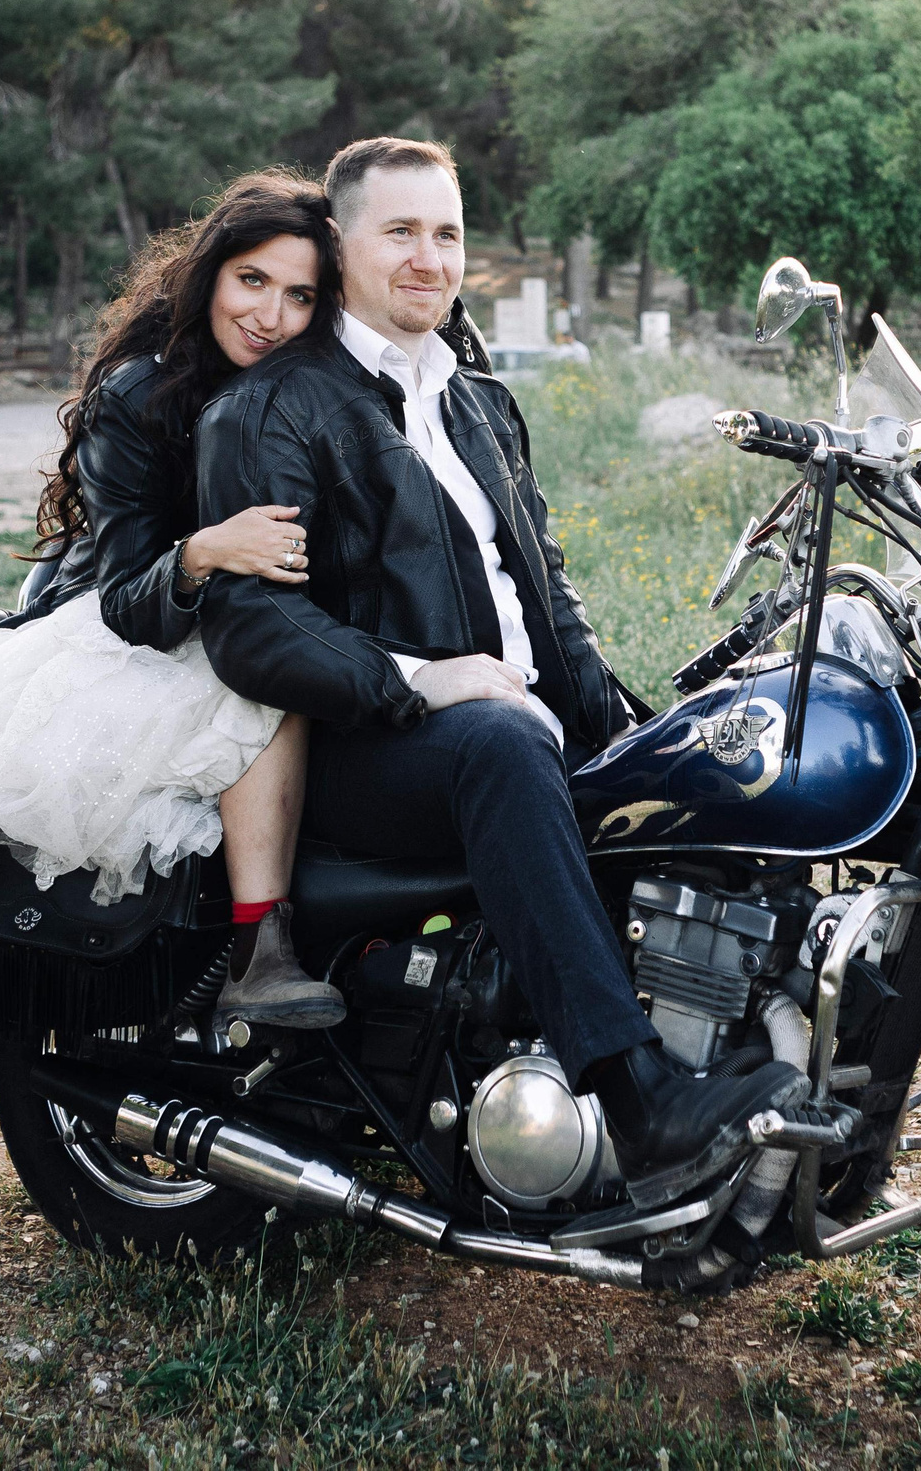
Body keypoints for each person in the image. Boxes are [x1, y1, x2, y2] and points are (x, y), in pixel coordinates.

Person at [195, 138, 806, 1199]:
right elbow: (254, 628)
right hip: (365, 747)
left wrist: (629, 735)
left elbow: (546, 598)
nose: (429, 258)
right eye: (400, 232)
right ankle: (637, 1096)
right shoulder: (273, 409)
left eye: (447, 234)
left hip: (495, 729)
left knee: (714, 771)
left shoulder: (477, 400)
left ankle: (772, 1070)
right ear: (339, 248)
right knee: (503, 739)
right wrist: (422, 682)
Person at [0, 170, 344, 1027]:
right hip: (132, 624)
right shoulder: (140, 392)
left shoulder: (312, 387)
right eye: (251, 280)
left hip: (233, 609)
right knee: (268, 687)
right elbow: (124, 597)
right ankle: (263, 949)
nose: (270, 315)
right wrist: (206, 549)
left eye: (299, 295)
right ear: (210, 273)